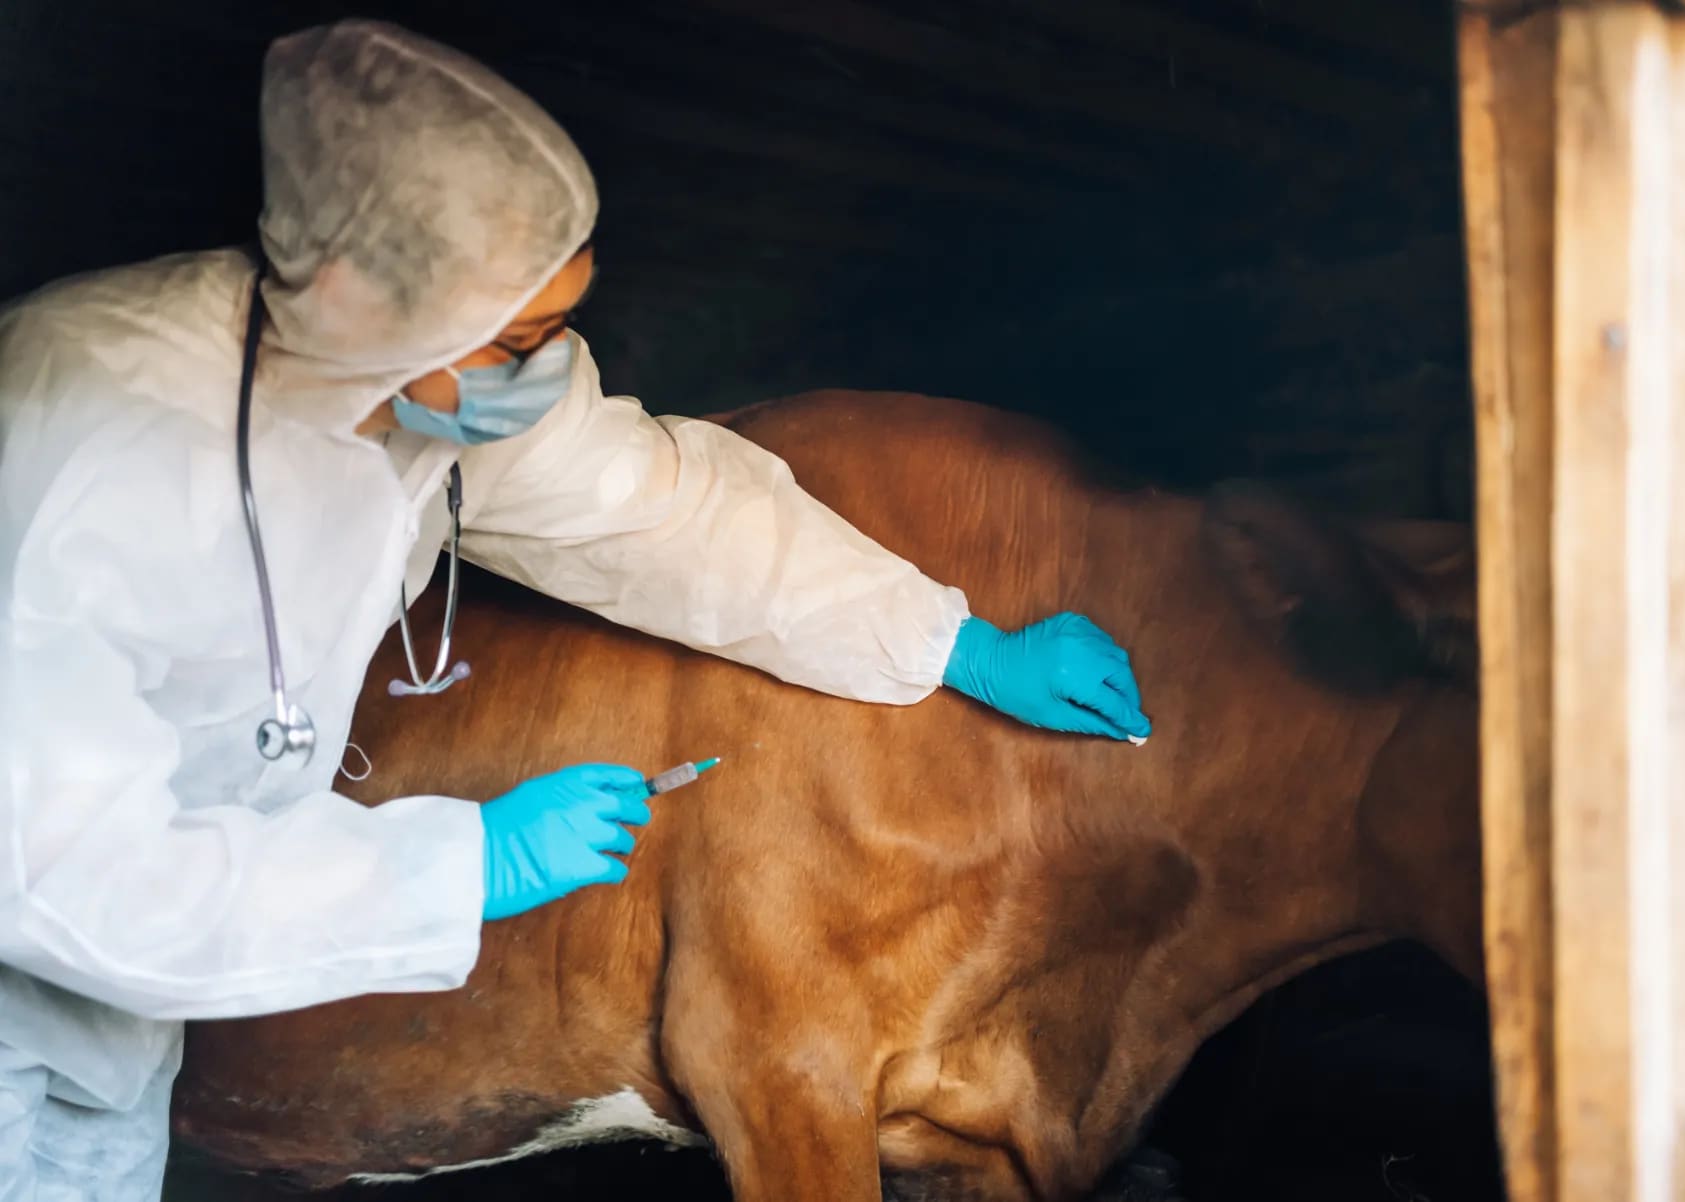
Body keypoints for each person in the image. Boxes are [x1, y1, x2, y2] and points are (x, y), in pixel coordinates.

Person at [0, 19, 1150, 1201]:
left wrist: (941, 636)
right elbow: (65, 874)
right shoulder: (79, 445)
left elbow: (658, 509)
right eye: (520, 340)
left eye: (560, 325)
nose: (547, 371)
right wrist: (465, 864)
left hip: (128, 1024)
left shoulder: (412, 376)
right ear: (361, 298)